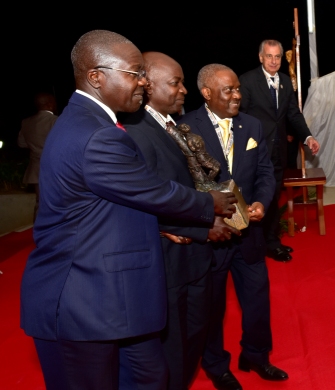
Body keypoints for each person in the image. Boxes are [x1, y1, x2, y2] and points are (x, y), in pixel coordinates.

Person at [20, 31, 237, 390]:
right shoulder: (94, 133)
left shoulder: (92, 122)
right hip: (83, 302)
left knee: (151, 376)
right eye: (135, 73)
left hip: (115, 296)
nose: (143, 82)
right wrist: (208, 203)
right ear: (96, 77)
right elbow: (150, 190)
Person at [123, 52, 239, 390]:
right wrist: (199, 227)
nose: (184, 90)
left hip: (195, 259)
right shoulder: (136, 132)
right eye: (175, 83)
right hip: (169, 263)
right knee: (172, 352)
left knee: (194, 338)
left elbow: (188, 184)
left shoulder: (172, 126)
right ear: (148, 86)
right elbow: (146, 197)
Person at [180, 64, 284, 390]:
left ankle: (256, 355)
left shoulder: (252, 125)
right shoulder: (185, 128)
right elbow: (182, 185)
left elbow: (266, 173)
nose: (237, 95)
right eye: (229, 90)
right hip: (213, 235)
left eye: (238, 88)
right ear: (207, 93)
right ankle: (216, 366)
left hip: (249, 232)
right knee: (212, 307)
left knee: (257, 299)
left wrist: (262, 204)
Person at [239, 39, 321, 261]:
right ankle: (252, 244)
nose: (274, 61)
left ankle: (271, 242)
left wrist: (308, 136)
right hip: (253, 152)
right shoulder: (247, 81)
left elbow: (293, 114)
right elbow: (240, 117)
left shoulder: (285, 82)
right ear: (260, 57)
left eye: (277, 57)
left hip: (278, 152)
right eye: (269, 56)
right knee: (254, 198)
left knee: (273, 198)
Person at [17, 92, 58, 220]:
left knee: (40, 203)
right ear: (50, 105)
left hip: (36, 170)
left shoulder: (26, 122)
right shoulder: (57, 121)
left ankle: (38, 233)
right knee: (60, 203)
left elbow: (21, 143)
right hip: (57, 170)